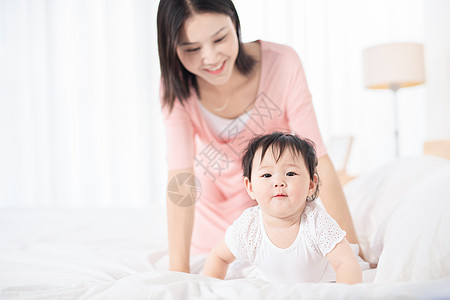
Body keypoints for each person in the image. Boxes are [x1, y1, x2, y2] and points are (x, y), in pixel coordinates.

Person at [157, 0, 361, 273]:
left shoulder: (283, 64)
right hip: (213, 231)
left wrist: (354, 250)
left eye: (220, 38)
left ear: (235, 22)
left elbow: (319, 161)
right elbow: (180, 180)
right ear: (172, 49)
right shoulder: (176, 88)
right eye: (192, 49)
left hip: (275, 217)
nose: (211, 58)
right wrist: (178, 270)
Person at [202, 132, 362, 284]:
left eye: (291, 173)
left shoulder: (316, 222)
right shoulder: (249, 225)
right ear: (250, 187)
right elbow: (219, 257)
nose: (278, 182)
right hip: (267, 288)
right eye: (267, 175)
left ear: (311, 184)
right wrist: (210, 290)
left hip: (318, 286)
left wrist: (345, 293)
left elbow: (346, 262)